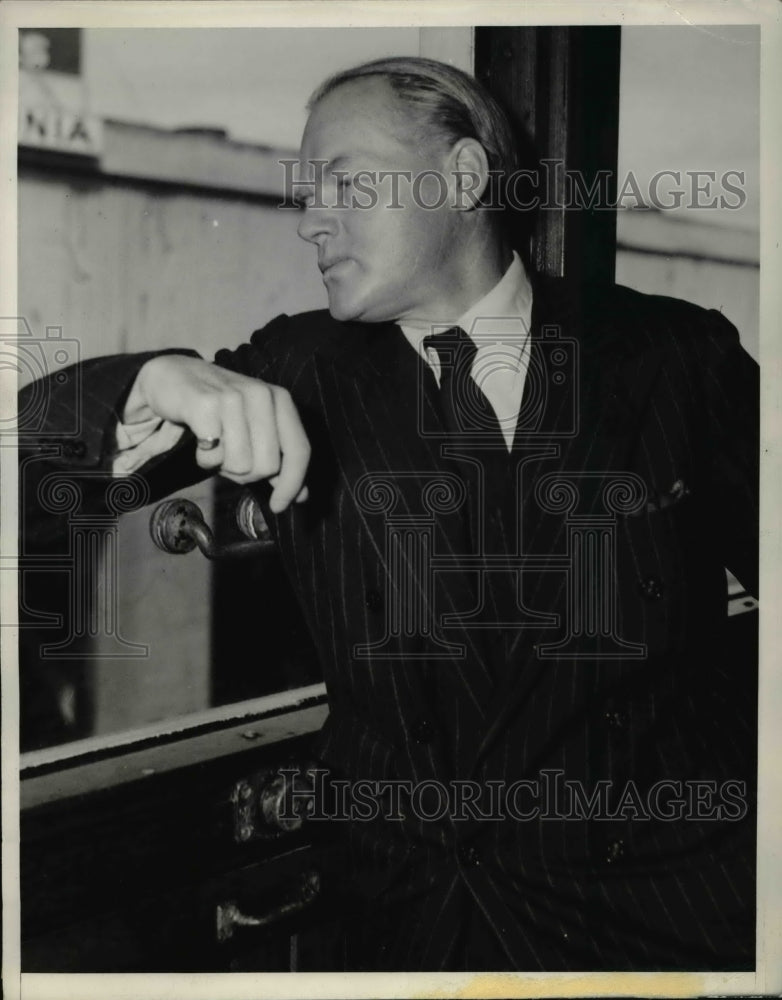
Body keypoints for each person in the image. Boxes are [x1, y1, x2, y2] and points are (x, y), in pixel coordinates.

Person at [20, 57, 758, 971]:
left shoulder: (677, 357)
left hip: (663, 930)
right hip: (407, 940)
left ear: (463, 176)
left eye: (344, 181)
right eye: (305, 192)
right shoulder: (294, 368)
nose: (311, 219)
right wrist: (138, 384)